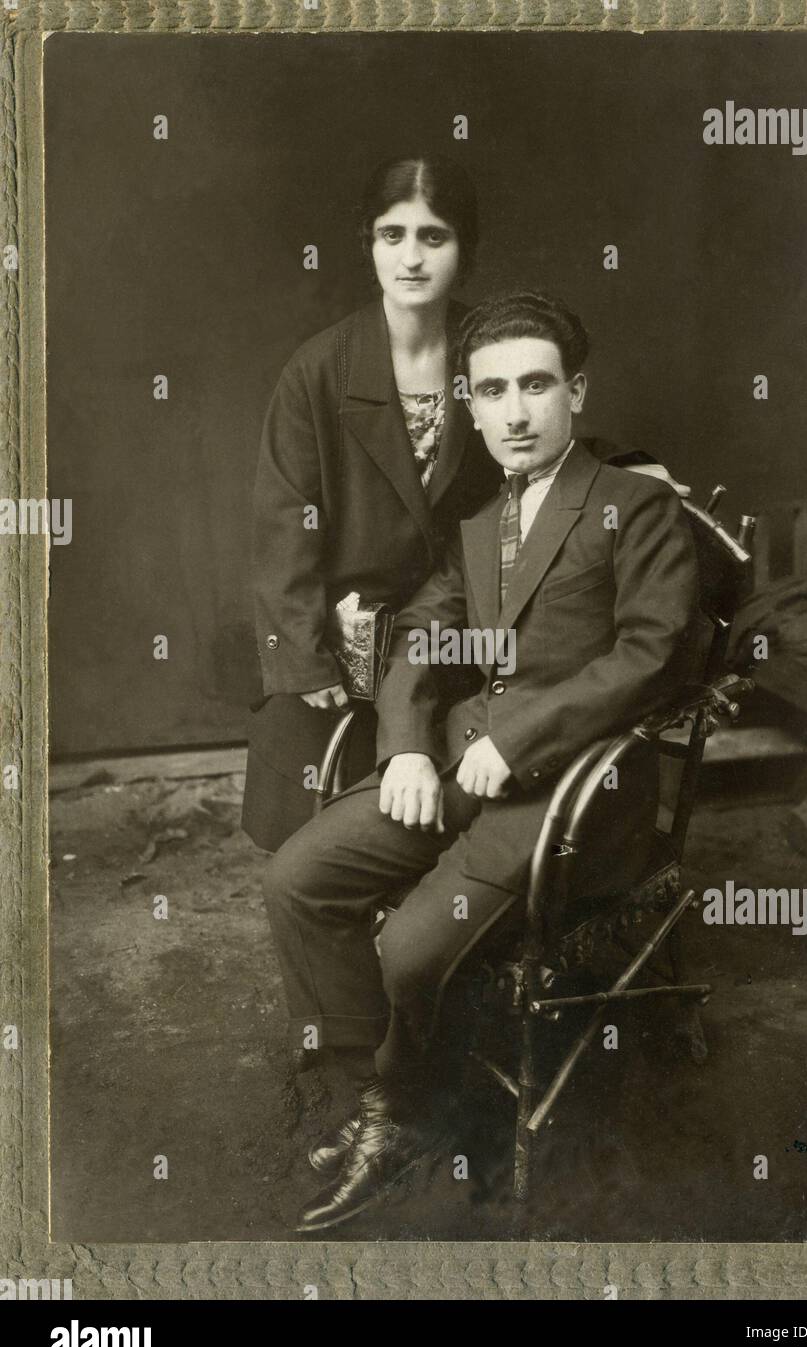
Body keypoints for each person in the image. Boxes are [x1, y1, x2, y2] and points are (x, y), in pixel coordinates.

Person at [263, 290, 702, 1233]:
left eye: (536, 385)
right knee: (299, 879)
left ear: (575, 392)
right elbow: (427, 633)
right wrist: (412, 747)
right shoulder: (477, 518)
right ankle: (373, 1100)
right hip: (458, 769)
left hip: (573, 796)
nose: (514, 411)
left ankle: (409, 1106)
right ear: (467, 402)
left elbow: (651, 654)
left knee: (412, 950)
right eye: (491, 390)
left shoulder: (636, 504)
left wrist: (519, 739)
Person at [241, 154, 499, 853]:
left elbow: (548, 445)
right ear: (370, 244)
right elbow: (282, 522)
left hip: (458, 629)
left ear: (464, 249)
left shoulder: (492, 352)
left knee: (452, 824)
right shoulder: (320, 370)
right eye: (393, 235)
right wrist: (303, 655)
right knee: (312, 835)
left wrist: (633, 471)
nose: (411, 258)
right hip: (340, 631)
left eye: (433, 237)